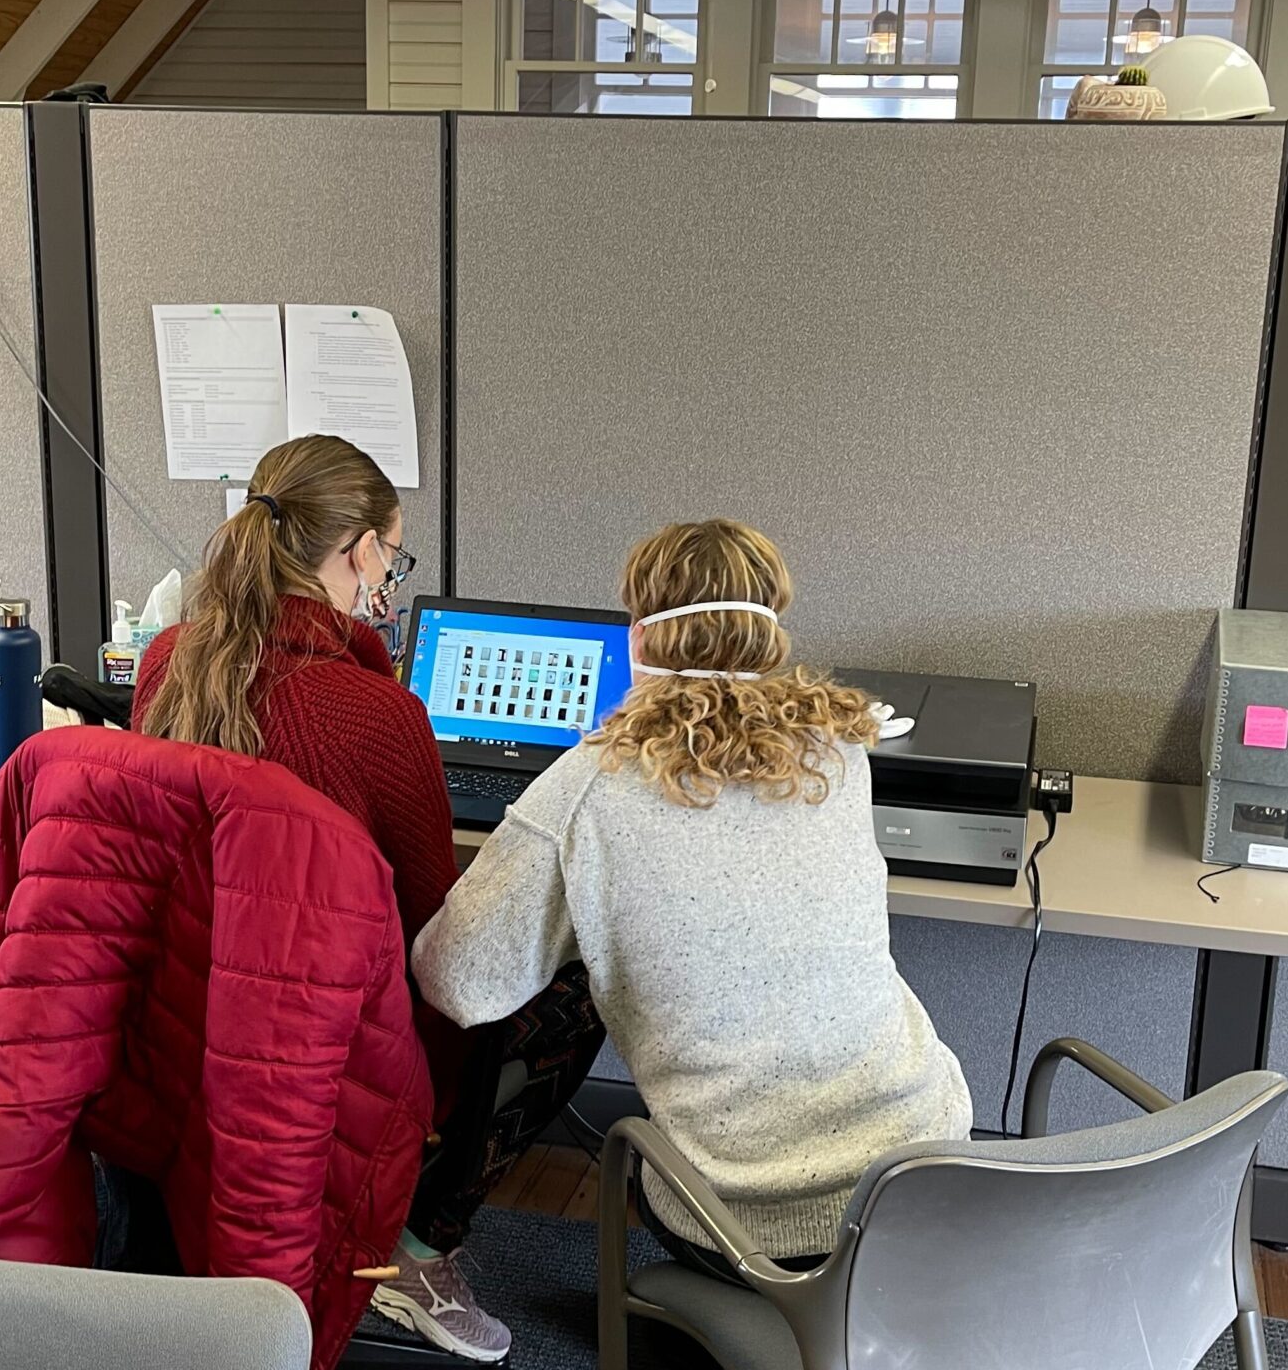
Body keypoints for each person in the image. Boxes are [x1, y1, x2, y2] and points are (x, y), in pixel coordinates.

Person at [131, 433, 600, 1358]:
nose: (389, 576)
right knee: (568, 986)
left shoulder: (166, 665)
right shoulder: (379, 713)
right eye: (393, 552)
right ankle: (417, 1244)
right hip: (331, 1063)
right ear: (356, 554)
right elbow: (439, 943)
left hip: (178, 1032)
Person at [412, 519, 971, 1274]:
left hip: (741, 1218)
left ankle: (417, 1244)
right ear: (770, 634)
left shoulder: (591, 785)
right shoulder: (840, 754)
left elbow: (460, 984)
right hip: (928, 1168)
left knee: (569, 985)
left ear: (638, 641)